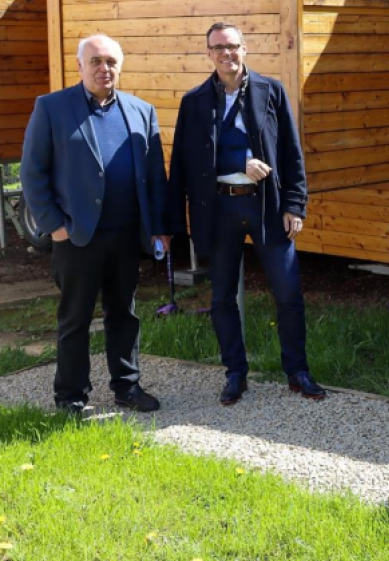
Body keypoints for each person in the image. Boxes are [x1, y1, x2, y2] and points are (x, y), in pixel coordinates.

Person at [165, 22, 324, 405]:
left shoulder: (271, 91)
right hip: (219, 208)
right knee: (221, 297)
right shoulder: (195, 101)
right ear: (208, 54)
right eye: (218, 48)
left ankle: (297, 371)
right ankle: (235, 373)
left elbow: (291, 151)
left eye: (233, 46)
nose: (226, 54)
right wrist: (173, 224)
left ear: (244, 49)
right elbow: (183, 165)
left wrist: (294, 204)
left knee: (287, 292)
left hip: (266, 205)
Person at [20, 34, 168, 414]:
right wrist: (55, 226)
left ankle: (127, 387)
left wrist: (158, 227)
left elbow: (154, 176)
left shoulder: (140, 110)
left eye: (111, 62)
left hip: (125, 235)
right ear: (80, 65)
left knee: (125, 314)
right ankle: (70, 395)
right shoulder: (52, 107)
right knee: (76, 319)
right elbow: (33, 173)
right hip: (76, 237)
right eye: (96, 61)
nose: (105, 68)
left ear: (120, 66)